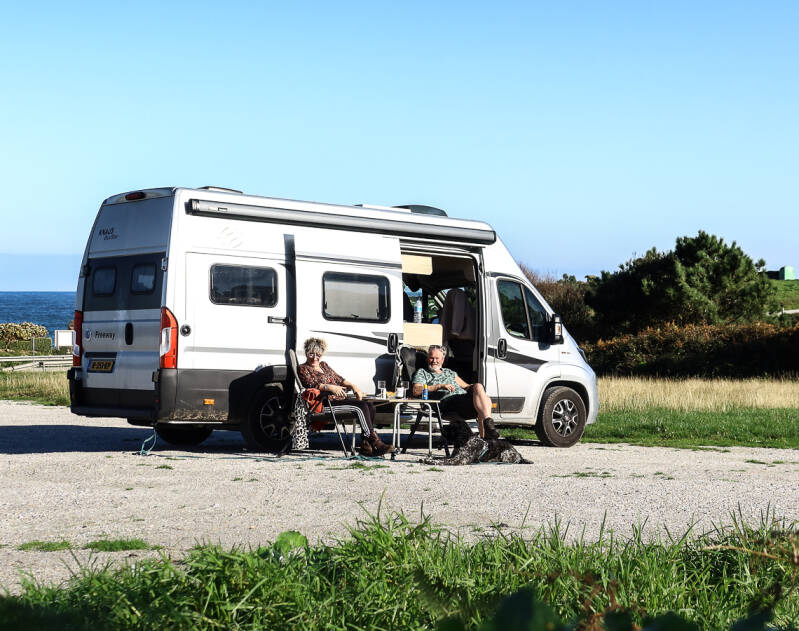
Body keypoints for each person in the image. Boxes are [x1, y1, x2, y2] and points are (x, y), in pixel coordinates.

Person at [298, 337, 394, 457]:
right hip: (323, 403)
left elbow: (340, 379)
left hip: (338, 401)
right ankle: (375, 442)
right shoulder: (303, 368)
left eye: (318, 354)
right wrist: (331, 387)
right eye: (311, 354)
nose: (314, 358)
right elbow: (311, 384)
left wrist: (354, 387)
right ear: (306, 353)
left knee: (370, 406)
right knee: (360, 407)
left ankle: (366, 446)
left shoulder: (323, 365)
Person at [411, 344, 497, 438]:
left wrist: (478, 389)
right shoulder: (422, 372)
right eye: (432, 358)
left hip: (462, 401)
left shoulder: (449, 372)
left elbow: (466, 386)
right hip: (447, 403)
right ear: (428, 359)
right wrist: (439, 386)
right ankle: (487, 435)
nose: (434, 361)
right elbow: (416, 390)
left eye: (437, 358)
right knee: (485, 401)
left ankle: (488, 426)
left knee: (480, 390)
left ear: (442, 360)